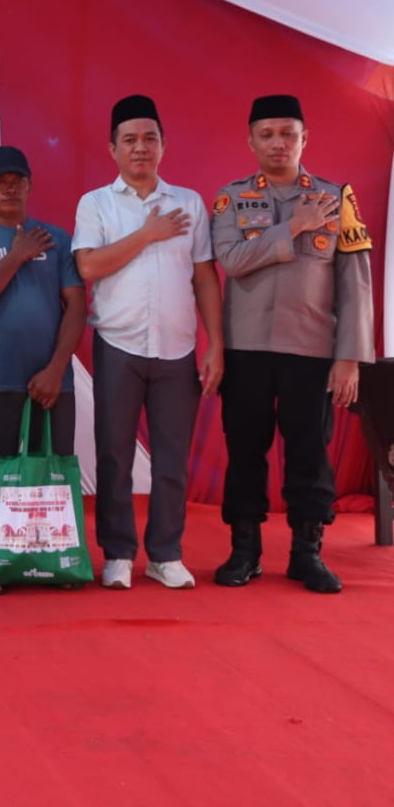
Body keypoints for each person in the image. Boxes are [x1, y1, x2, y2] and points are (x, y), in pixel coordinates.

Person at [210, 94, 374, 593]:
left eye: (287, 133)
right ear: (251, 141)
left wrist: (350, 358)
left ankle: (308, 553)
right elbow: (232, 261)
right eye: (267, 134)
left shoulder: (336, 198)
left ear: (305, 138)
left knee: (309, 452)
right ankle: (245, 551)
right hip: (246, 351)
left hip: (312, 352)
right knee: (245, 450)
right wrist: (295, 226)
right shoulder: (231, 199)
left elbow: (355, 284)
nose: (277, 143)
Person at [73, 95, 223, 590]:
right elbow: (88, 265)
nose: (141, 148)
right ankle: (118, 553)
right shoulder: (96, 203)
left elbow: (204, 277)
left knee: (173, 458)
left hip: (178, 349)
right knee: (114, 455)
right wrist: (148, 233)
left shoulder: (189, 203)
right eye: (130, 140)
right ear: (113, 148)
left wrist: (215, 343)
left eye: (150, 138)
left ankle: (166, 554)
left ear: (163, 145)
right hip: (118, 345)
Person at [0, 144, 86, 595]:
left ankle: (56, 557)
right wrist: (15, 255)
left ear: (30, 185)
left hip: (53, 378)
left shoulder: (56, 237)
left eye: (17, 180)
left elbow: (76, 306)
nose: (9, 188)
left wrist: (56, 369)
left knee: (51, 470)